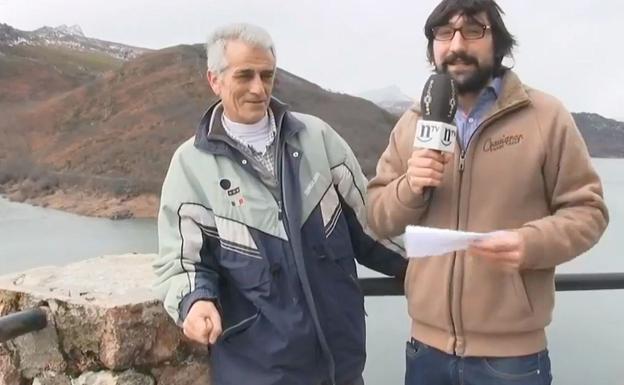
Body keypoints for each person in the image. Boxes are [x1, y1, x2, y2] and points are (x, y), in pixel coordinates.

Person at [366, 1, 609, 384]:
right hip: (425, 351)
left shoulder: (545, 116)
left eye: (473, 31)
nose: (456, 44)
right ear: (433, 46)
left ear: (498, 42)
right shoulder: (411, 123)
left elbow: (588, 211)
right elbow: (378, 215)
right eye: (444, 33)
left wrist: (531, 243)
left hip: (511, 361)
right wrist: (409, 187)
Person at [153, 23, 406, 385]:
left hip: (340, 365)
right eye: (245, 76)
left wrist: (421, 268)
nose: (259, 88)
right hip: (256, 371)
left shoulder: (319, 138)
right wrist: (195, 302)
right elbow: (181, 264)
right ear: (215, 80)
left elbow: (370, 227)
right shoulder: (190, 165)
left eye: (267, 75)